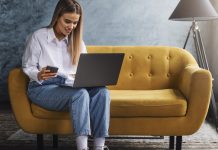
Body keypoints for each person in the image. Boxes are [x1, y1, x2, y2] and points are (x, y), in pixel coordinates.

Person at [22, 0, 110, 150]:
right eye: (67, 21)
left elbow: (84, 72)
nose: (71, 27)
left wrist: (90, 78)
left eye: (75, 23)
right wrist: (39, 74)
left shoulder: (78, 42)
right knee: (80, 94)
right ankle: (82, 148)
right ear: (57, 16)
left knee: (102, 92)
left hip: (69, 85)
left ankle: (99, 147)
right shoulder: (38, 37)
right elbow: (27, 66)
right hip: (42, 87)